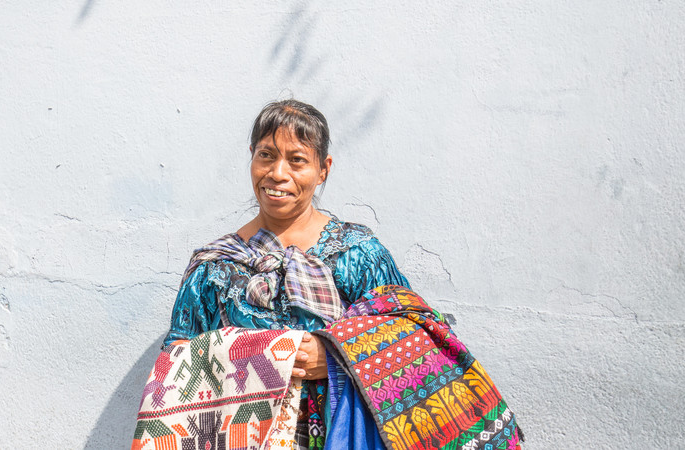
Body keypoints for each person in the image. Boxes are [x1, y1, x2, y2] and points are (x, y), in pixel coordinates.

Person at [133, 100, 521, 450]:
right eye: (266, 155)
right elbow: (176, 367)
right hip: (244, 438)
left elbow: (416, 332)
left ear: (323, 170)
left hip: (343, 433)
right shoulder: (214, 268)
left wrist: (335, 356)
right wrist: (257, 357)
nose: (277, 174)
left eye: (297, 160)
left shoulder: (355, 253)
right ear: (251, 157)